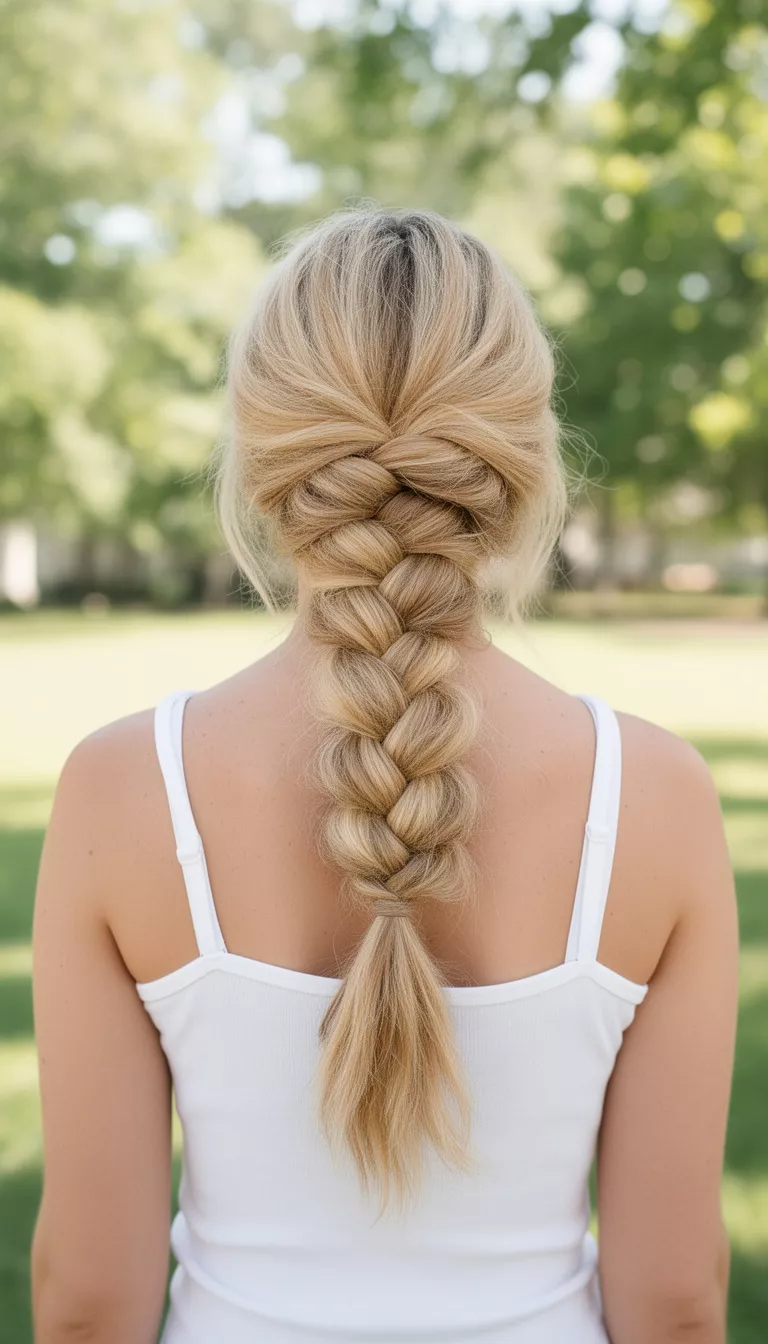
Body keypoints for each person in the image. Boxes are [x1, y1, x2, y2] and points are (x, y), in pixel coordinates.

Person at [31, 206, 738, 1344]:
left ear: (263, 461)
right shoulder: (651, 796)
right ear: (522, 456)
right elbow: (675, 1302)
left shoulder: (123, 789)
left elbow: (86, 1302)